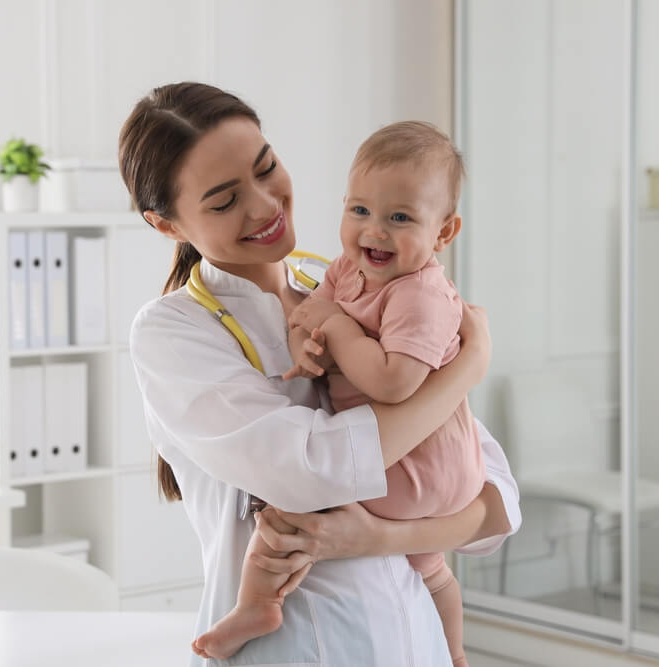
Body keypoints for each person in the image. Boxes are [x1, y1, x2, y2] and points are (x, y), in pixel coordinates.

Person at [121, 82, 521, 667]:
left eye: (266, 169)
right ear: (166, 225)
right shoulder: (173, 331)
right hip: (294, 649)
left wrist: (384, 539)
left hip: (414, 641)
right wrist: (469, 367)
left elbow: (489, 496)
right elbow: (314, 469)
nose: (263, 205)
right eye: (225, 200)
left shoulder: (359, 284)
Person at [196, 121, 482, 665]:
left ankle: (257, 602)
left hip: (423, 470)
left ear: (444, 232)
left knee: (290, 503)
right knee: (433, 570)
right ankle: (456, 653)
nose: (373, 231)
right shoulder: (347, 270)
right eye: (359, 211)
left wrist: (340, 330)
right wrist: (307, 345)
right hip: (416, 466)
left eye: (399, 218)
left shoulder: (422, 295)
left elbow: (394, 382)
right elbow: (311, 317)